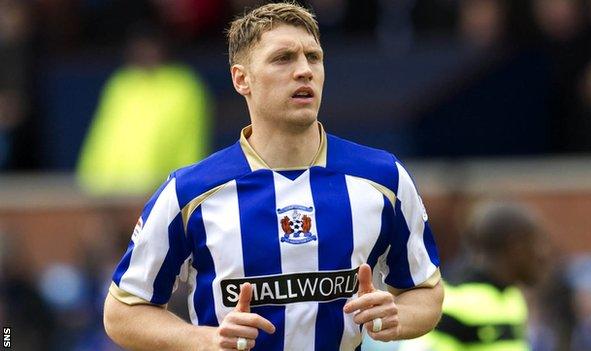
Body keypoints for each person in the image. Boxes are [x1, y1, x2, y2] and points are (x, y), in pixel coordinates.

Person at [103, 3, 443, 351]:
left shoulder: (383, 177)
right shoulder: (189, 191)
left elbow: (426, 289)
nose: (304, 71)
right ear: (241, 79)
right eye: (283, 58)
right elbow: (122, 311)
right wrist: (204, 339)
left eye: (313, 57)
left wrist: (398, 316)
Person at [77, 22, 212, 195]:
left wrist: (182, 186)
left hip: (162, 191)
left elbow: (189, 142)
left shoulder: (183, 85)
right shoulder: (121, 83)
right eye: (140, 47)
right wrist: (90, 182)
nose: (145, 52)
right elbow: (104, 136)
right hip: (110, 194)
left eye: (150, 46)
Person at [396, 201, 549, 351]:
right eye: (537, 243)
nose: (544, 254)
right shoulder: (450, 302)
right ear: (516, 246)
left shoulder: (513, 297)